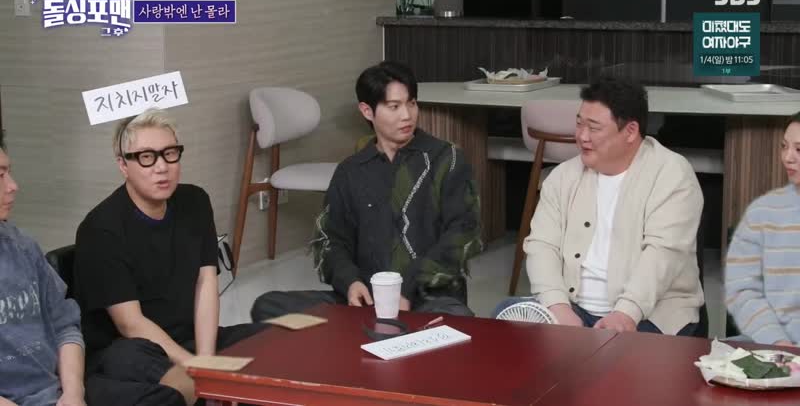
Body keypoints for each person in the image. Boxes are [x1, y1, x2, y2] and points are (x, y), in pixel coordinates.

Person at [251, 61, 482, 321]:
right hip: (366, 301)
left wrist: (409, 288)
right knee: (267, 306)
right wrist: (351, 283)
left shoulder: (446, 158)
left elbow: (464, 233)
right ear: (367, 111)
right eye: (394, 106)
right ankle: (366, 330)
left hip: (429, 300)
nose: (407, 115)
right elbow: (330, 240)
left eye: (411, 103)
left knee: (458, 318)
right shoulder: (351, 171)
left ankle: (363, 334)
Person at [73, 109, 265, 406]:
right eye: (146, 157)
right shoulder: (101, 228)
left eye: (170, 153)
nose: (162, 167)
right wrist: (197, 366)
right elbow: (130, 324)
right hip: (129, 351)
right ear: (123, 165)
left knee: (274, 341)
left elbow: (205, 283)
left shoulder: (195, 201)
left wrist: (206, 359)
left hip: (187, 339)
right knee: (159, 369)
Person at [502, 77, 704, 336]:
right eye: (579, 124)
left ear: (630, 131)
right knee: (504, 318)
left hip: (648, 314)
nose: (582, 137)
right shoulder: (563, 176)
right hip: (573, 309)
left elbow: (663, 254)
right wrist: (557, 306)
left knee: (609, 357)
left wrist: (626, 313)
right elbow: (542, 245)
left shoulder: (672, 175)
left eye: (594, 128)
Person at [0, 131, 86, 406]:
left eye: (9, 172)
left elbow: (65, 325)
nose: (13, 186)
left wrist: (74, 393)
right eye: (0, 176)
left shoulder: (23, 246)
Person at [726, 112, 800, 346]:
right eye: (784, 146)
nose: (788, 158)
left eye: (799, 149)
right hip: (769, 344)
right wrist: (776, 341)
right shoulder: (762, 213)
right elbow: (742, 290)